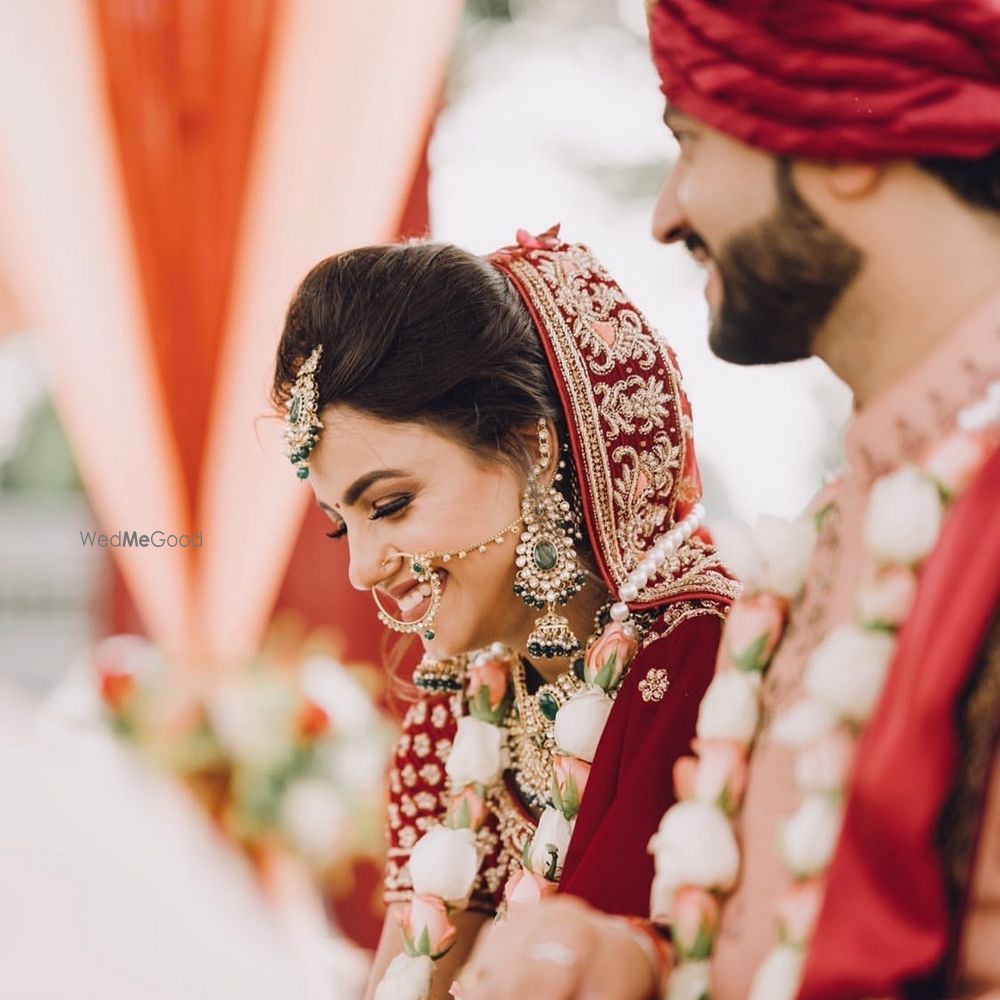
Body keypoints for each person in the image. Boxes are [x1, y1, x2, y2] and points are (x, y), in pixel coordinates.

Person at [459, 2, 1000, 999]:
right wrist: (633, 963)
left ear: (845, 130)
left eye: (692, 144)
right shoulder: (848, 522)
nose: (667, 213)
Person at [271, 230, 738, 999]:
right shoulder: (462, 708)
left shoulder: (695, 667)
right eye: (338, 521)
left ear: (531, 448)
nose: (360, 568)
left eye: (391, 504)